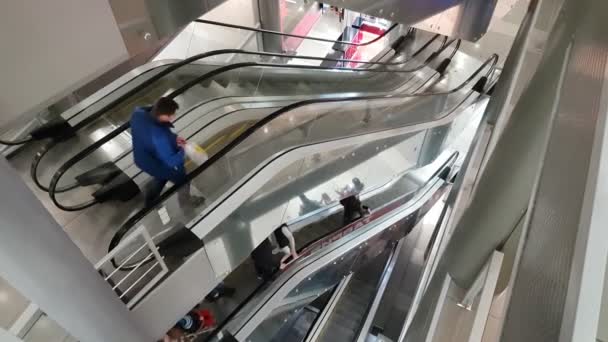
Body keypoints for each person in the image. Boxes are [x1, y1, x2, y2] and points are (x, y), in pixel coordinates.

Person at [130, 97, 204, 208]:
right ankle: (186, 204)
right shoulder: (159, 136)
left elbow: (152, 137)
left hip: (142, 157)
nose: (173, 117)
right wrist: (183, 150)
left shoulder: (138, 113)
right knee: (182, 179)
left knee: (161, 177)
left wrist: (173, 139)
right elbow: (172, 162)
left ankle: (150, 202)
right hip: (154, 162)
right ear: (162, 115)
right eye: (171, 115)